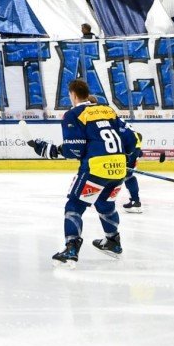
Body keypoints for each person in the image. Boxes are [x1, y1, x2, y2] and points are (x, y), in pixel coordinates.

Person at [53, 78, 128, 263]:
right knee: (105, 204)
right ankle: (113, 241)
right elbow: (131, 140)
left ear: (73, 94)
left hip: (96, 169)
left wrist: (54, 150)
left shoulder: (73, 114)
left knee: (75, 206)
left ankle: (71, 248)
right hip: (119, 167)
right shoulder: (108, 110)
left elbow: (74, 150)